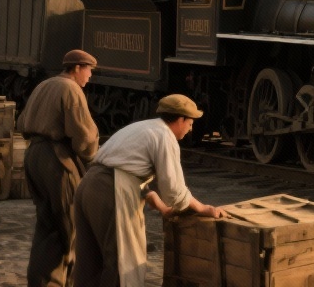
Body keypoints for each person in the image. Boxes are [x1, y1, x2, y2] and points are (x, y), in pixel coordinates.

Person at [73, 94, 223, 287]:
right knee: (123, 265)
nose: (191, 128)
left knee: (90, 264)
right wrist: (202, 208)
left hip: (89, 185)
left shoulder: (143, 127)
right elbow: (174, 191)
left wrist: (159, 204)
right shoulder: (165, 136)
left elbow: (132, 170)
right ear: (180, 119)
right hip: (111, 190)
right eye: (190, 123)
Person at [17, 49, 101, 287]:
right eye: (89, 70)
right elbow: (83, 137)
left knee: (47, 226)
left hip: (34, 155)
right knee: (69, 225)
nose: (89, 77)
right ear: (76, 68)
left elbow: (22, 121)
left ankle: (41, 281)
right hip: (56, 159)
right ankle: (63, 281)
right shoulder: (70, 89)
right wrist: (91, 155)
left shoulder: (45, 85)